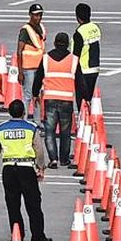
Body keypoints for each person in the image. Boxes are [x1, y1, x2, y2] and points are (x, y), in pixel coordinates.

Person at [0, 100, 51, 241]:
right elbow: (38, 149)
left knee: (12, 203)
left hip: (8, 168)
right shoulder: (30, 128)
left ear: (9, 112)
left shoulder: (0, 128)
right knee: (33, 203)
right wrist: (41, 167)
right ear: (24, 112)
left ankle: (17, 235)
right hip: (26, 167)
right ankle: (37, 236)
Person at [34, 32, 76, 168]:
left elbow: (38, 77)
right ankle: (64, 159)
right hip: (66, 100)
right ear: (68, 44)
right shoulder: (73, 59)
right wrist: (85, 98)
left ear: (55, 43)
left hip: (50, 100)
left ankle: (53, 159)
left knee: (50, 131)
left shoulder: (46, 58)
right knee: (65, 132)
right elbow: (81, 82)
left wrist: (35, 94)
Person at [17, 3, 46, 121]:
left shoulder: (42, 28)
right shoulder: (25, 30)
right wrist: (20, 72)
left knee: (37, 95)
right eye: (35, 15)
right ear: (30, 15)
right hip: (28, 68)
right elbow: (19, 51)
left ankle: (37, 121)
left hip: (40, 68)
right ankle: (23, 121)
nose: (38, 17)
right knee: (28, 96)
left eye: (40, 15)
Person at [72, 2, 101, 109]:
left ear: (77, 17)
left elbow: (76, 54)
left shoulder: (79, 32)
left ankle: (84, 121)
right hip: (95, 68)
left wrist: (73, 72)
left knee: (82, 101)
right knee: (89, 98)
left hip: (83, 70)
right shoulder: (95, 28)